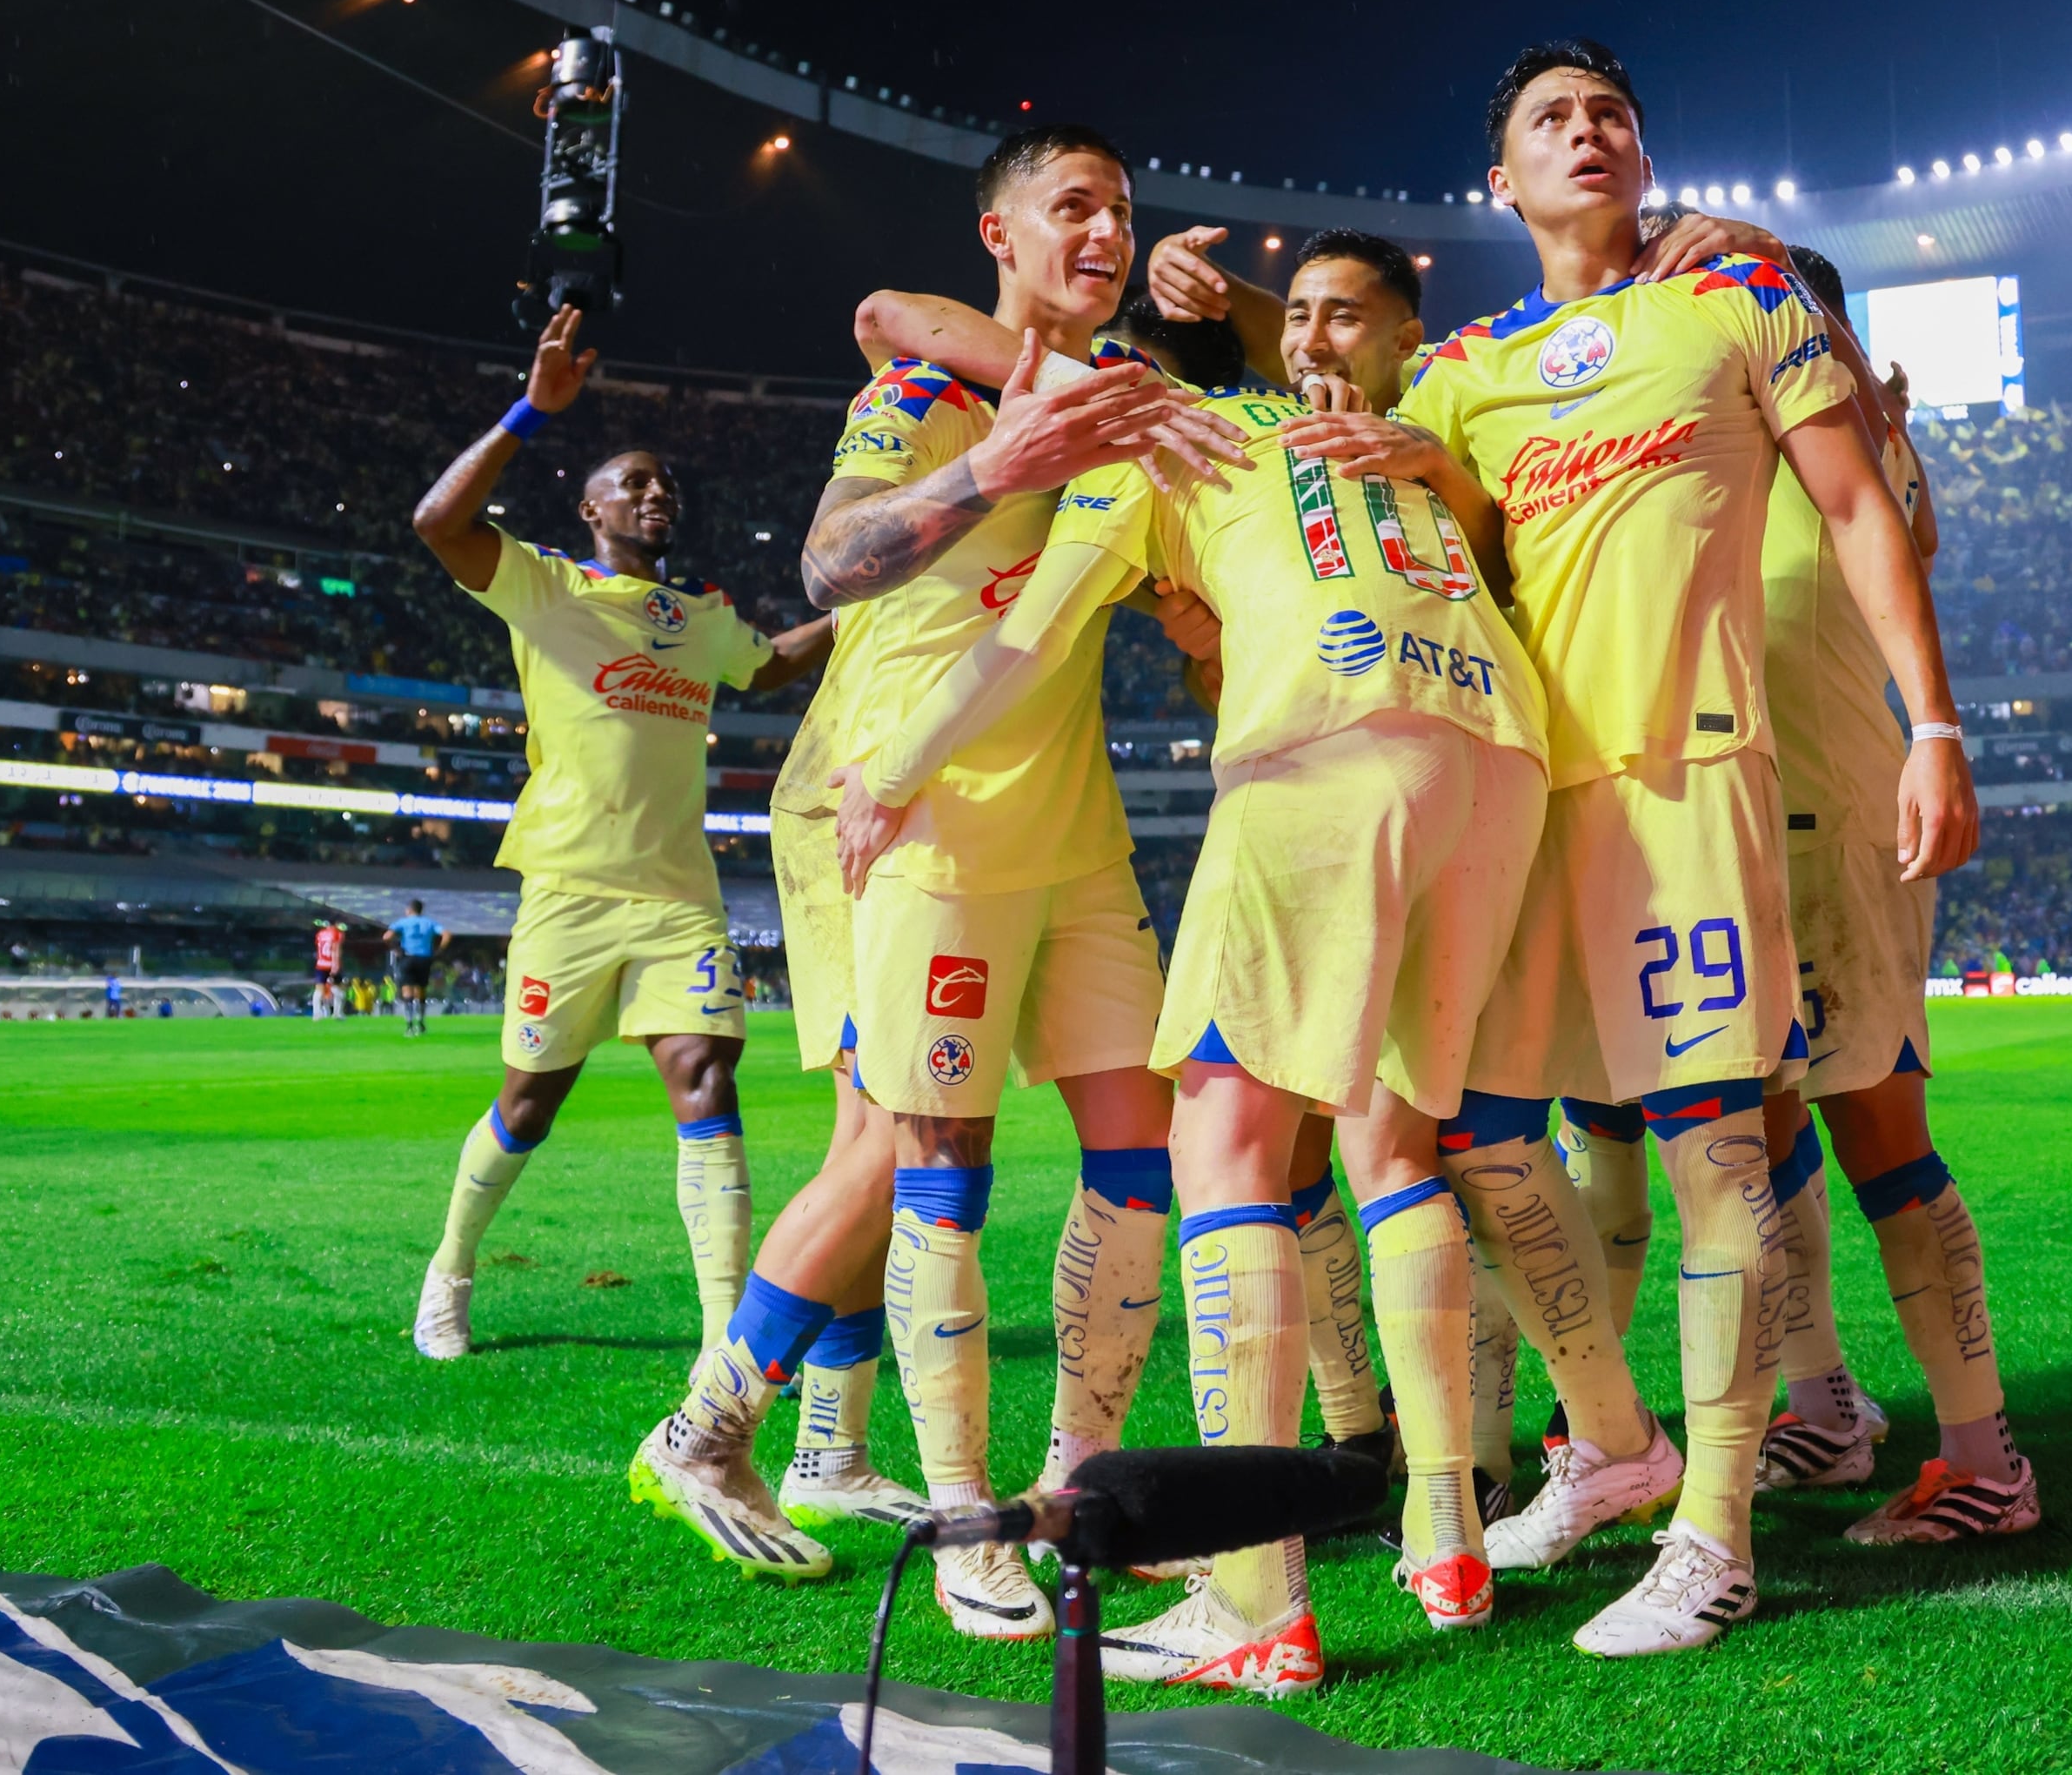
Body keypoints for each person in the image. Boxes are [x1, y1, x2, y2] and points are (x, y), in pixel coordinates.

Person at [1243, 38, 1979, 1658]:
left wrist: (1933, 726)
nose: (1590, 133)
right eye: (1552, 121)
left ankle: (1716, 1534)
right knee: (1490, 1138)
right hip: (1521, 802)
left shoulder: (1735, 303)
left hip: (1688, 780)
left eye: (1612, 118)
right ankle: (1619, 1437)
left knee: (1716, 1149)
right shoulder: (1462, 374)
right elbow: (1448, 556)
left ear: (1643, 160)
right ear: (1497, 181)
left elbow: (1858, 508)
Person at [829, 227, 1541, 1692]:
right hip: (1498, 744)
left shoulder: (1151, 444)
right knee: (1396, 1138)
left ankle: (1252, 1604)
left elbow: (1024, 637)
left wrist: (885, 764)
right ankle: (1448, 1531)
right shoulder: (1354, 426)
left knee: (1221, 1138)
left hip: (1330, 744)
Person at [625, 122, 1233, 1612]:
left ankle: (1001, 1477)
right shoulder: (921, 389)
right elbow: (831, 562)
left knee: (1100, 1151)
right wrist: (1003, 456)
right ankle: (806, 1458)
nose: (1102, 230)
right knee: (909, 1148)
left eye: (1122, 209)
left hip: (1066, 822)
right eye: (1070, 207)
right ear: (1002, 237)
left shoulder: (1125, 411)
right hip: (894, 804)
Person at [404, 304, 834, 1371]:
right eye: (633, 482)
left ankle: (723, 1335)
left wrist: (876, 600)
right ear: (590, 506)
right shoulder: (545, 585)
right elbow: (436, 523)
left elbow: (773, 662)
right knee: (530, 1100)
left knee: (707, 1078)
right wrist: (530, 412)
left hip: (679, 895)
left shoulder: (698, 620)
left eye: (665, 486)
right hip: (567, 889)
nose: (655, 493)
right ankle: (451, 1268)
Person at [1731, 244, 2036, 1546]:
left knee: (1872, 1129)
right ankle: (1829, 1409)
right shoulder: (1829, 436)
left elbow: (1892, 529)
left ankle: (1984, 1461)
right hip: (1760, 810)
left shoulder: (1839, 426)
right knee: (1763, 1123)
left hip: (1831, 814)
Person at [391, 901, 444, 1037]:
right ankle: (420, 1023)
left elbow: (387, 936)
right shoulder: (429, 922)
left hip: (407, 958)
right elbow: (447, 934)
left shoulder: (403, 922)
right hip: (424, 958)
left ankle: (409, 1026)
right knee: (421, 990)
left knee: (407, 991)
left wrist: (396, 949)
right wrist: (439, 950)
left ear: (409, 909)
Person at [311, 920, 347, 1019]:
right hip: (332, 964)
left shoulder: (320, 934)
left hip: (321, 964)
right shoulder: (337, 933)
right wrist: (336, 965)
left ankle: (316, 1014)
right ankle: (337, 1013)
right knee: (338, 988)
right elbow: (336, 949)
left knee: (319, 989)